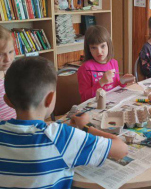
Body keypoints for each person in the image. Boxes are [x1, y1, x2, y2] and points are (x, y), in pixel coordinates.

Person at [0, 57, 128, 188]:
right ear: (50, 99)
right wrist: (86, 127)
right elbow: (121, 150)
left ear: (7, 100)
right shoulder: (60, 137)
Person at [78, 25, 133, 102]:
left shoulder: (113, 63)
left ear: (108, 45)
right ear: (89, 49)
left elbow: (116, 87)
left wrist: (123, 81)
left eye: (102, 46)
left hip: (112, 103)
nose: (99, 51)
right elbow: (84, 98)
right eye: (94, 48)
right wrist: (101, 82)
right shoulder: (85, 68)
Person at [0, 26, 16, 120]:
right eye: (0, 54)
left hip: (16, 125)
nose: (8, 59)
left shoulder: (10, 72)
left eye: (10, 52)